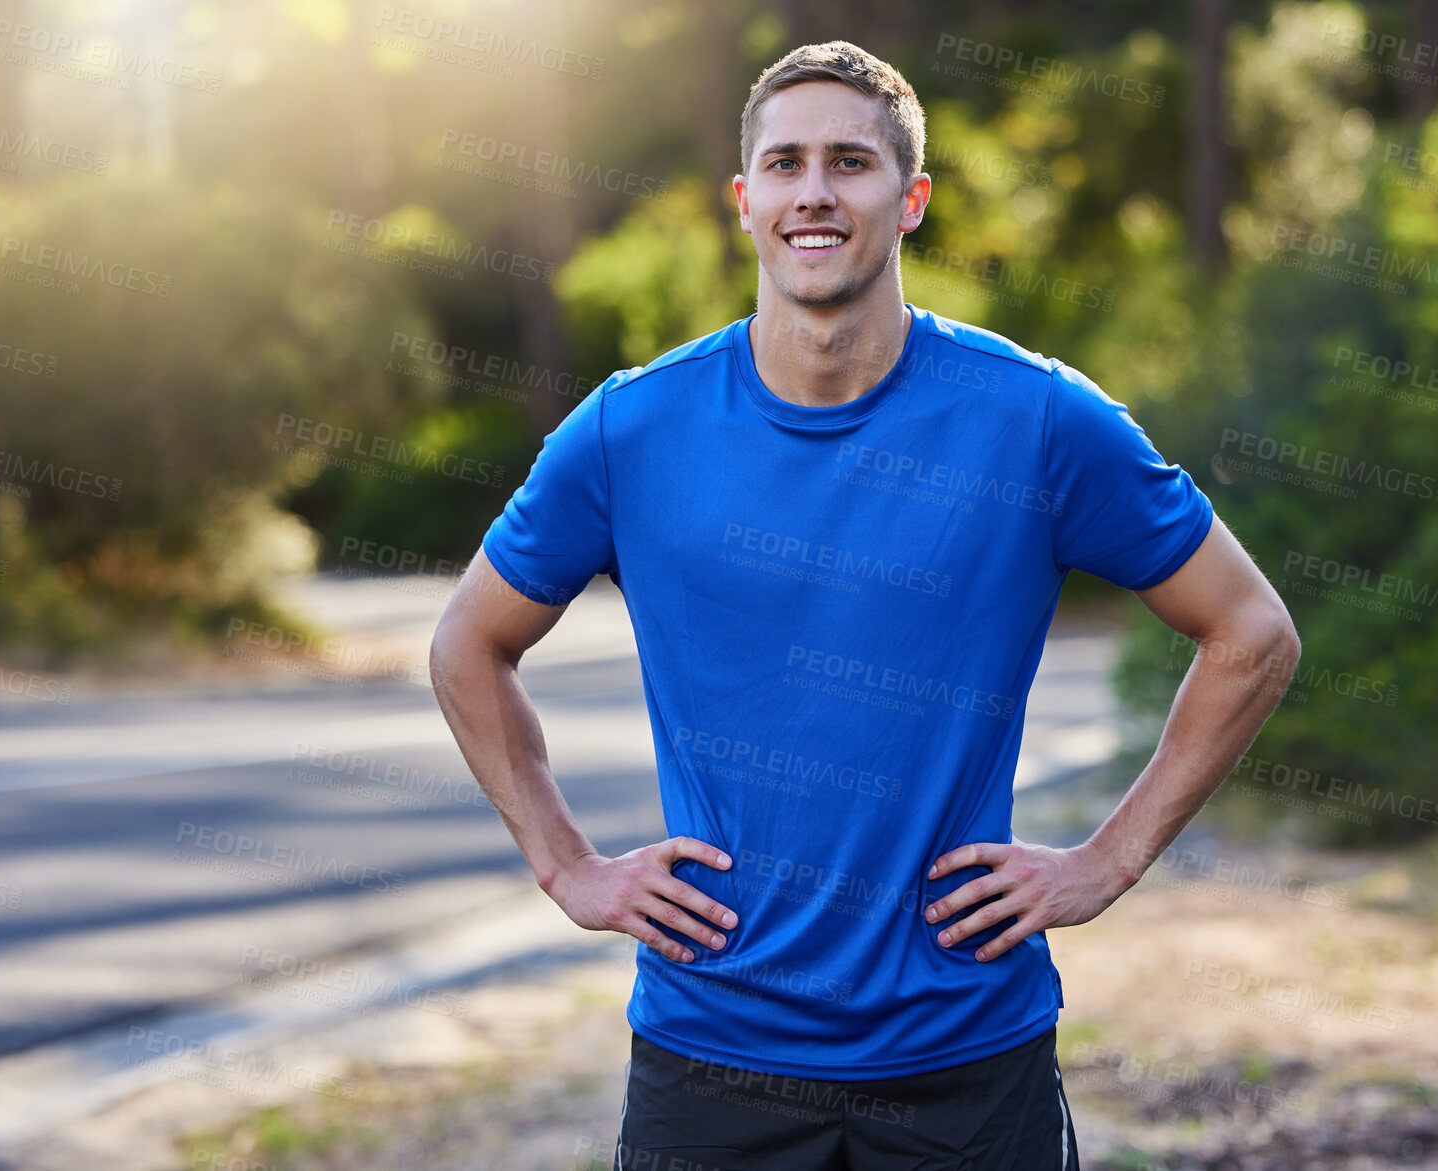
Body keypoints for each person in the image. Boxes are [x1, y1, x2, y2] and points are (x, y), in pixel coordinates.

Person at [431, 39, 1300, 1171]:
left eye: (851, 162)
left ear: (912, 200)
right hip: (711, 1059)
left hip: (968, 1060)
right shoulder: (628, 429)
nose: (815, 192)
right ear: (745, 203)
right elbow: (468, 646)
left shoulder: (1036, 419)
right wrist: (566, 866)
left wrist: (1108, 859)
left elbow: (1252, 631)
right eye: (785, 164)